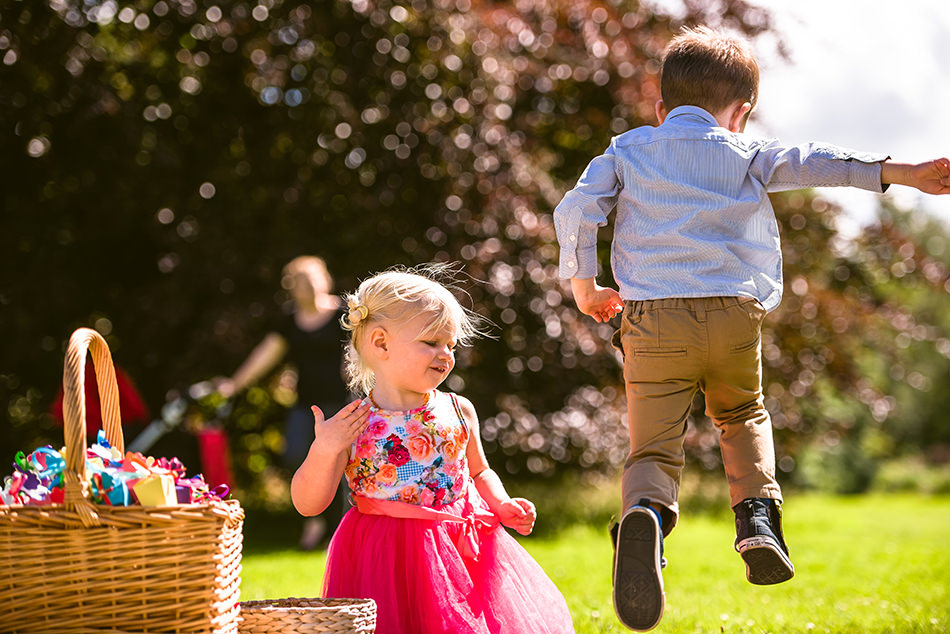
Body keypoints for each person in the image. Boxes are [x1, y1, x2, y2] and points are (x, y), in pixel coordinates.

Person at [553, 25, 950, 632]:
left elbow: (576, 209)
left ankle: (647, 515)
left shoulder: (628, 150)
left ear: (661, 108)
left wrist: (585, 285)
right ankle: (758, 518)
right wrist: (902, 172)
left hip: (652, 320)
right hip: (733, 315)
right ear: (741, 113)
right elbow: (820, 163)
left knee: (654, 447)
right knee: (741, 415)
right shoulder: (745, 153)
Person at [291, 265, 575, 634]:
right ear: (380, 343)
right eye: (431, 342)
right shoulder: (353, 424)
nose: (445, 354)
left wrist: (501, 503)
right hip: (384, 554)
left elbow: (478, 472)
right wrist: (323, 450)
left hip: (459, 543)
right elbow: (308, 504)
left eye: (450, 345)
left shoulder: (459, 410)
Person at [218, 255, 351, 550]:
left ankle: (337, 530)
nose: (309, 287)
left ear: (324, 280)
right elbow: (266, 354)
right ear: (293, 288)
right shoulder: (290, 321)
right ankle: (314, 518)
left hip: (341, 404)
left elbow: (363, 348)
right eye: (302, 283)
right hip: (306, 405)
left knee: (341, 465)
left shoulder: (344, 313)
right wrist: (234, 384)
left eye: (313, 280)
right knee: (295, 456)